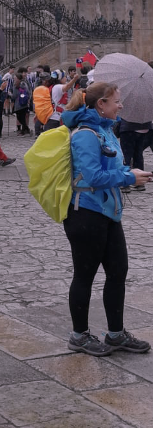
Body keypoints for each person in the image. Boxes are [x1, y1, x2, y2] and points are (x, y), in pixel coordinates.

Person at [60, 83, 151, 357]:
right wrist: (128, 177)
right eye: (116, 101)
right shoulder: (86, 135)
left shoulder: (105, 130)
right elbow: (93, 177)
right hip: (86, 214)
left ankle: (115, 334)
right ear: (101, 104)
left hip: (109, 213)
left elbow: (112, 166)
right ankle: (79, 335)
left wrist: (129, 170)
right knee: (84, 275)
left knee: (118, 271)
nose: (120, 105)